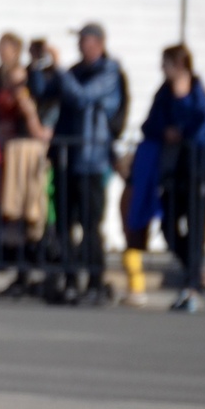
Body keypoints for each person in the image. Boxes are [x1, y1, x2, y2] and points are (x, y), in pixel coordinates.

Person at [129, 46, 205, 313]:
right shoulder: (163, 93)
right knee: (169, 225)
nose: (163, 69)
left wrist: (182, 132)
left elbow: (201, 122)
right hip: (172, 168)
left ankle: (191, 287)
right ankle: (202, 274)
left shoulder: (197, 91)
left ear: (179, 64)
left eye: (166, 64)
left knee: (196, 228)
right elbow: (149, 124)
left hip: (197, 167)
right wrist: (164, 131)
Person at [56, 23, 125, 305]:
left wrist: (59, 71)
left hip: (92, 158)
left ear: (98, 43)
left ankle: (96, 281)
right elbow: (48, 93)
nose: (80, 46)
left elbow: (83, 96)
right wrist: (39, 68)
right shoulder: (74, 71)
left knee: (90, 223)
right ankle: (70, 279)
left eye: (85, 40)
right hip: (68, 157)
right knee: (63, 223)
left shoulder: (109, 71)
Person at [0, 33, 50, 299]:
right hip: (8, 151)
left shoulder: (31, 82)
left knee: (30, 209)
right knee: (10, 212)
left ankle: (31, 269)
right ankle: (17, 270)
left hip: (26, 150)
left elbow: (37, 125)